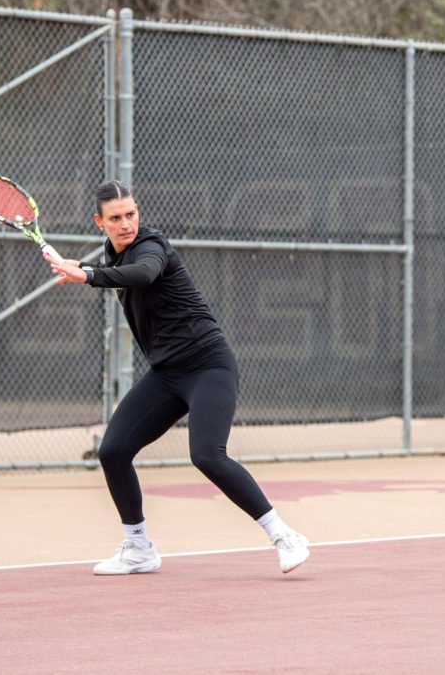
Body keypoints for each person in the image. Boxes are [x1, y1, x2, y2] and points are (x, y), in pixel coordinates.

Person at [48, 180, 310, 575]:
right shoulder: (111, 252)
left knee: (207, 455)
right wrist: (91, 271)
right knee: (113, 451)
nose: (126, 224)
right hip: (167, 373)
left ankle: (283, 535)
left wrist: (88, 275)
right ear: (99, 221)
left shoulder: (152, 247)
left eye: (131, 214)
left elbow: (143, 274)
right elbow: (121, 273)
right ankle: (138, 549)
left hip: (209, 364)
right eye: (115, 218)